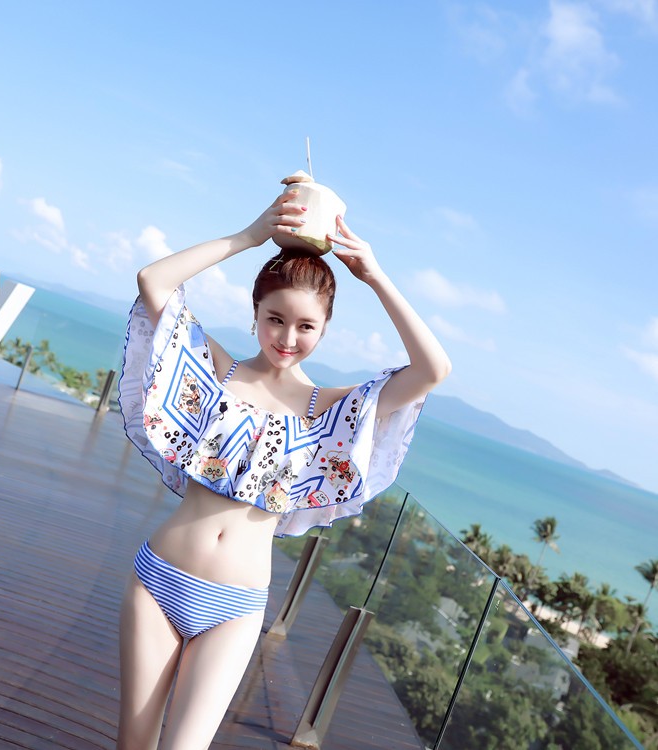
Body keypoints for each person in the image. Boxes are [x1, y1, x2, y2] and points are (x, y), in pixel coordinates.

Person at [117, 191, 451, 749]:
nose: (288, 339)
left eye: (305, 326)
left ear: (324, 329)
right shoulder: (216, 372)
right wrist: (250, 236)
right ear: (255, 313)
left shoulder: (332, 411)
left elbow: (433, 370)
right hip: (159, 580)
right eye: (275, 319)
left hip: (235, 606)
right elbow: (154, 281)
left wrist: (374, 275)